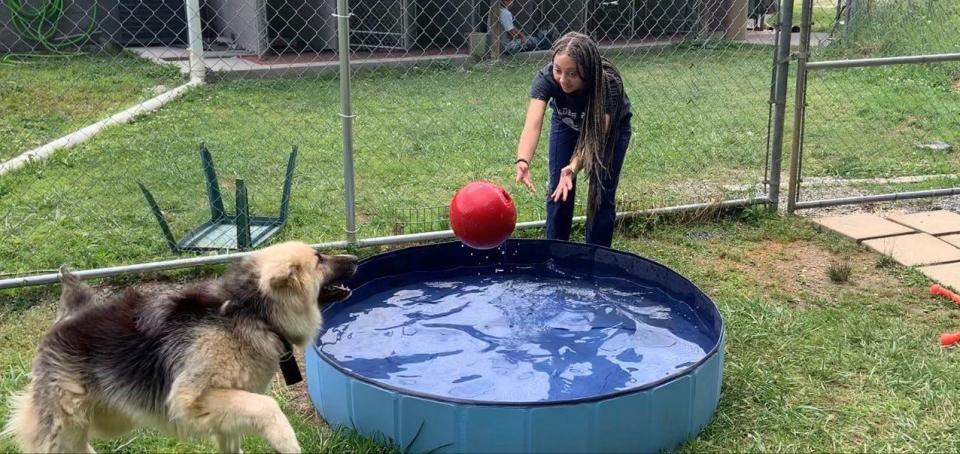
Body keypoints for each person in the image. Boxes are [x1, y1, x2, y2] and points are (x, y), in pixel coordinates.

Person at [513, 32, 632, 248]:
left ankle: (596, 256)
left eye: (572, 74)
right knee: (558, 190)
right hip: (566, 123)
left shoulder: (607, 84)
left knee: (601, 193)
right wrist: (523, 160)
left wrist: (573, 167)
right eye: (558, 71)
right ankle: (556, 253)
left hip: (609, 132)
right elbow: (533, 122)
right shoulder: (546, 78)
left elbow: (594, 139)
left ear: (587, 72)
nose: (563, 80)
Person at [490, 0, 554, 55]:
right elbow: (512, 32)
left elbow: (510, 26)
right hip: (507, 47)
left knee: (530, 40)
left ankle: (543, 37)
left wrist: (520, 34)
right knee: (531, 41)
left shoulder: (494, 11)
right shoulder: (505, 13)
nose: (511, 2)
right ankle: (547, 35)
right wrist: (522, 36)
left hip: (497, 46)